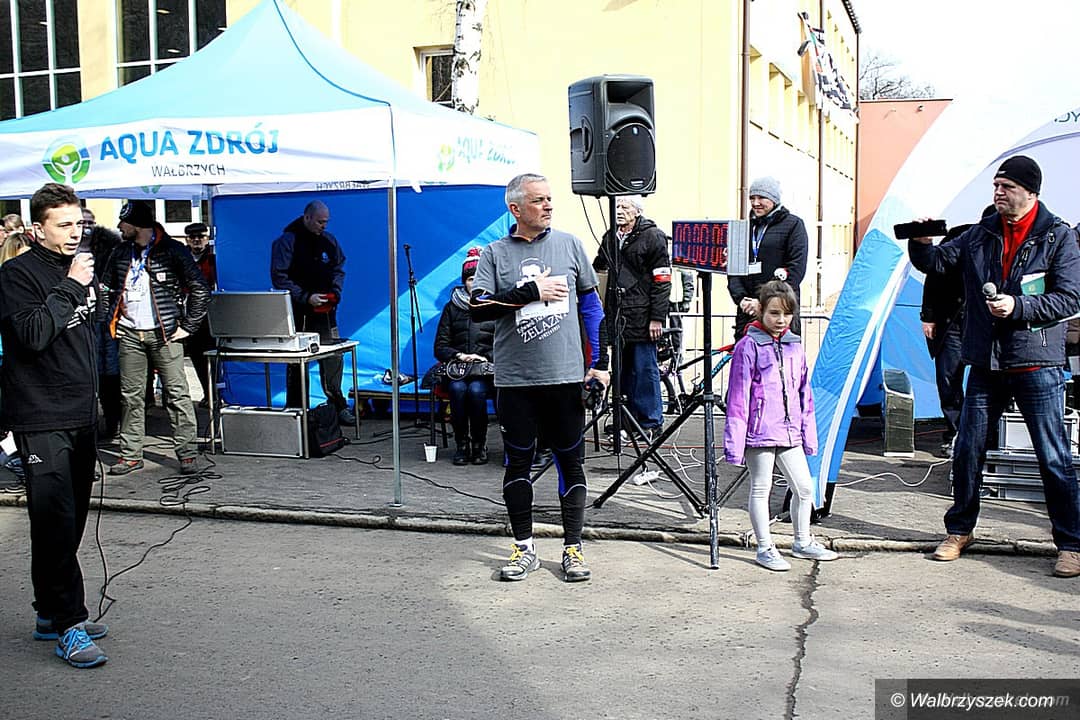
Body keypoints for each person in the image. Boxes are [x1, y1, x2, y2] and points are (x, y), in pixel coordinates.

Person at [908, 155, 1080, 578]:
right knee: (968, 449)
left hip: (1036, 363)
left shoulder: (1058, 237)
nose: (998, 193)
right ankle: (959, 530)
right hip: (987, 362)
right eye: (996, 186)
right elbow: (937, 264)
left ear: (1031, 192)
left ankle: (1071, 544)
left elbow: (1069, 299)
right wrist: (922, 242)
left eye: (1007, 187)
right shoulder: (980, 232)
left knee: (1052, 456)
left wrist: (1018, 307)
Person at [470, 173, 608, 582]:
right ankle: (524, 548)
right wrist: (531, 292)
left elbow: (592, 309)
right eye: (538, 200)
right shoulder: (495, 254)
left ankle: (573, 549)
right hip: (516, 380)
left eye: (549, 199)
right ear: (515, 208)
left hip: (564, 377)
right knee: (518, 463)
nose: (548, 206)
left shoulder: (569, 245)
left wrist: (600, 362)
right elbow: (478, 308)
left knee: (570, 461)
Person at [0, 183, 109, 667]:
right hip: (40, 415)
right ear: (37, 229)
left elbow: (84, 338)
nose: (74, 233)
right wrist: (71, 286)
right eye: (63, 225)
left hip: (80, 413)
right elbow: (33, 334)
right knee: (55, 521)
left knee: (71, 520)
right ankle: (69, 623)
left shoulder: (80, 270)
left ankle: (49, 611)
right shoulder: (16, 275)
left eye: (78, 223)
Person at [723, 279, 838, 571]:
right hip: (758, 433)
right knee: (761, 489)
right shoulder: (747, 347)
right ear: (761, 310)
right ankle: (765, 548)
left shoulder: (795, 346)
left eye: (787, 314)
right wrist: (735, 444)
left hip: (790, 433)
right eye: (774, 313)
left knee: (805, 489)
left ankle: (803, 542)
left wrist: (808, 434)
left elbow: (804, 394)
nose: (781, 320)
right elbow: (738, 397)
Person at [102, 200, 210, 476]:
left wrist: (189, 326)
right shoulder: (121, 251)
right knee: (131, 396)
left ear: (138, 225)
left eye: (124, 222)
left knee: (177, 394)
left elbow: (200, 287)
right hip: (129, 332)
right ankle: (130, 454)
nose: (119, 226)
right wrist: (109, 319)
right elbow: (106, 288)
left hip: (165, 333)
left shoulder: (173, 250)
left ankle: (187, 453)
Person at [270, 201, 354, 426]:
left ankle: (338, 405)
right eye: (320, 222)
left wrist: (336, 291)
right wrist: (306, 296)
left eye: (326, 222)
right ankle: (296, 410)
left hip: (326, 312)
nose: (323, 226)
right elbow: (279, 277)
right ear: (306, 218)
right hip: (298, 313)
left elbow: (339, 268)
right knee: (297, 361)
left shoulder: (329, 240)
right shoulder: (287, 241)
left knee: (333, 357)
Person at [593, 195, 671, 437]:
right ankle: (625, 420)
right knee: (622, 371)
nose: (619, 210)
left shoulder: (653, 236)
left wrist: (657, 318)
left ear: (637, 211)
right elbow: (599, 267)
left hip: (642, 316)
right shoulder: (610, 236)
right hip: (616, 315)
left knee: (644, 370)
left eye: (625, 206)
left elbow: (662, 281)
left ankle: (650, 422)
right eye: (617, 205)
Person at [434, 247, 495, 466]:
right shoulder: (451, 309)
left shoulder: (494, 307)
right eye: (470, 279)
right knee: (457, 390)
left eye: (479, 278)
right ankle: (461, 444)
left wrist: (484, 357)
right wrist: (459, 355)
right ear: (464, 281)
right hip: (457, 371)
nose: (474, 283)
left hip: (484, 372)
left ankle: (479, 444)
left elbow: (503, 344)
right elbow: (440, 347)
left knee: (476, 392)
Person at [728, 176, 808, 339]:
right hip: (748, 311)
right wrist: (742, 300)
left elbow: (796, 269)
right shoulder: (744, 228)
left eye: (761, 197)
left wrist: (764, 303)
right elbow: (734, 269)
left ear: (774, 199)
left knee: (780, 354)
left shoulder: (794, 225)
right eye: (752, 198)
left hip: (779, 312)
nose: (755, 203)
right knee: (745, 353)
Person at [920, 223, 971, 458]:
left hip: (980, 324)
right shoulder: (956, 240)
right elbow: (932, 279)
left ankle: (981, 434)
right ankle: (954, 432)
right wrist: (928, 317)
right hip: (951, 323)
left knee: (987, 382)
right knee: (948, 379)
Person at [82, 208, 124, 439]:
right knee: (87, 372)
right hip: (79, 318)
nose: (85, 227)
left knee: (110, 371)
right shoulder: (63, 248)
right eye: (81, 222)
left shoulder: (110, 247)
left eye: (89, 223)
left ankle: (112, 420)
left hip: (105, 317)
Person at [182, 222, 217, 407]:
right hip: (188, 312)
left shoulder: (214, 257)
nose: (197, 240)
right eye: (192, 237)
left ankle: (216, 393)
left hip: (212, 312)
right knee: (196, 354)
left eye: (201, 237)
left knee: (213, 354)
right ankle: (207, 392)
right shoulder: (182, 256)